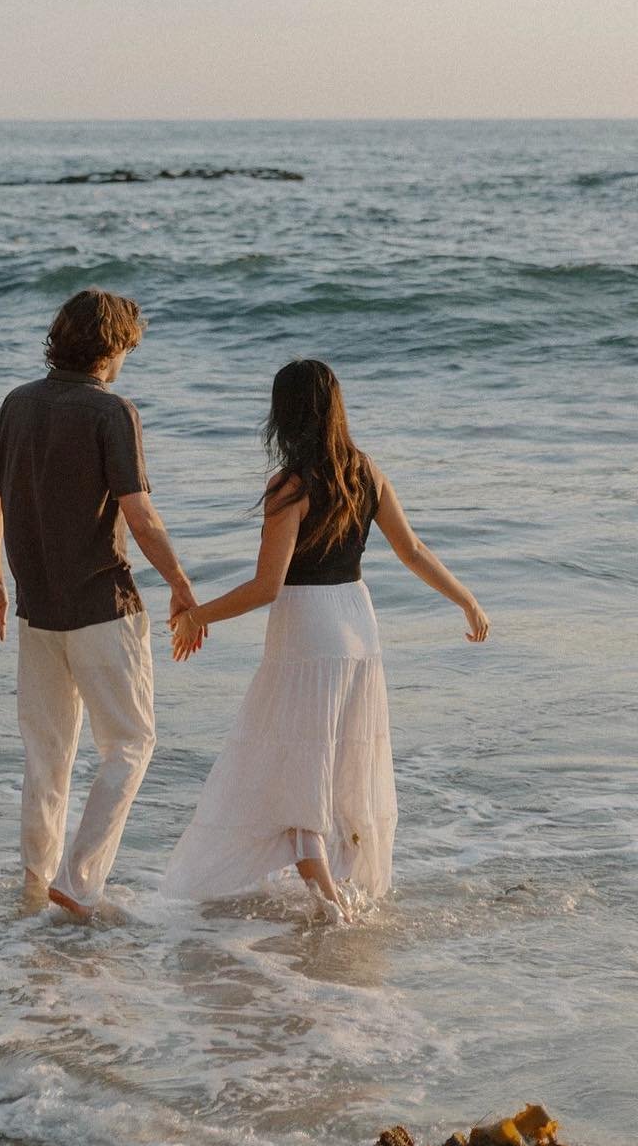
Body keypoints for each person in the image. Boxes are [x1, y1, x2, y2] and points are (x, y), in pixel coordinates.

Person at [163, 358, 489, 918]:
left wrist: (199, 616)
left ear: (284, 414)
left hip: (306, 628)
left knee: (298, 760)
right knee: (332, 761)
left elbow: (269, 585)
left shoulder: (290, 486)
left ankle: (328, 899)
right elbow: (412, 551)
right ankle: (331, 889)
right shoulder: (367, 472)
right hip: (358, 624)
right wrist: (466, 598)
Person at [0, 289, 196, 920]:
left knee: (47, 754)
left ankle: (34, 881)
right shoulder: (112, 412)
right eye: (127, 345)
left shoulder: (17, 404)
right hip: (103, 605)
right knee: (130, 743)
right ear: (111, 346)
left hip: (35, 609)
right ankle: (77, 881)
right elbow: (140, 513)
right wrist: (180, 582)